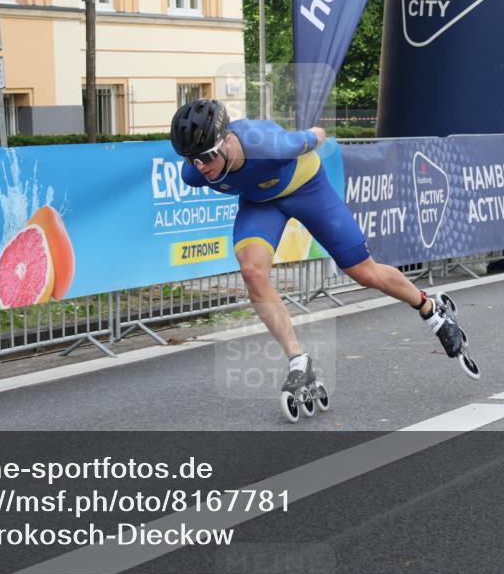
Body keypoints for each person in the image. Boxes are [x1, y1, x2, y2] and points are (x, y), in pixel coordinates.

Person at [169, 100, 478, 415]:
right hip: (261, 204)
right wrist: (199, 161)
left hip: (307, 189)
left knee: (364, 273)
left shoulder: (270, 144)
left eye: (206, 156)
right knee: (252, 272)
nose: (200, 167)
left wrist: (316, 131)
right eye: (192, 160)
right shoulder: (194, 173)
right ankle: (298, 361)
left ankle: (431, 309)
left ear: (228, 140)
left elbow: (318, 134)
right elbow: (200, 166)